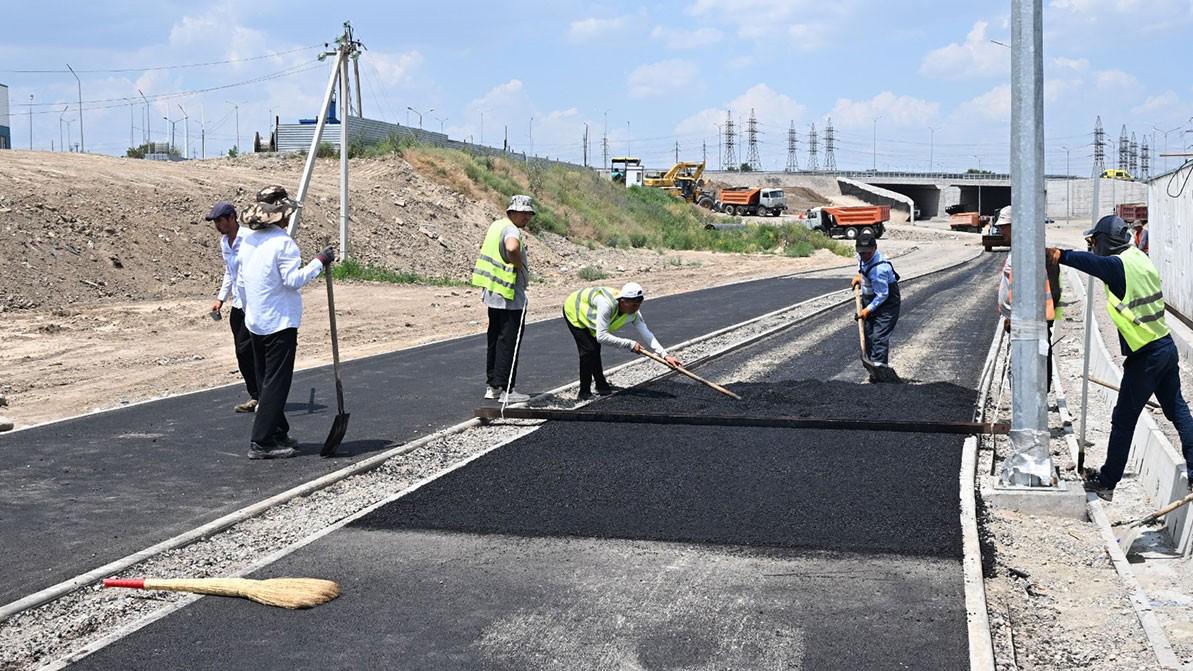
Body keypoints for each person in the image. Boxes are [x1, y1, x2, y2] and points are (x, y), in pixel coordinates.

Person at [1047, 215, 1193, 501]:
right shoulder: (1138, 257)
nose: (1092, 247)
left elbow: (1094, 265)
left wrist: (1061, 255)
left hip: (1145, 357)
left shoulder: (1117, 266)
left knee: (1123, 420)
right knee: (1178, 413)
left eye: (1095, 241)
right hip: (1164, 346)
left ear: (1107, 241)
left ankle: (1107, 483)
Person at [236, 185, 334, 460]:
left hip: (255, 321)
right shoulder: (283, 243)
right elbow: (293, 281)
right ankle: (262, 441)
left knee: (266, 379)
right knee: (276, 383)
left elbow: (241, 282)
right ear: (280, 215)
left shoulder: (249, 241)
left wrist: (249, 311)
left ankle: (278, 430)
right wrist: (319, 261)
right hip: (279, 323)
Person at [563, 282, 680, 400]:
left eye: (639, 305)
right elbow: (601, 336)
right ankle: (584, 392)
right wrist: (630, 344)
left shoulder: (634, 312)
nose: (636, 308)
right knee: (589, 351)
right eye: (634, 305)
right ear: (623, 301)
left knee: (594, 350)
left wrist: (665, 355)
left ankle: (601, 385)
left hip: (592, 318)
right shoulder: (606, 304)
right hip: (575, 310)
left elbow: (646, 333)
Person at [472, 194, 534, 404]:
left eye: (529, 214)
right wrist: (517, 266)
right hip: (509, 295)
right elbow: (511, 248)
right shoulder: (510, 230)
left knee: (495, 339)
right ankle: (508, 389)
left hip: (493, 292)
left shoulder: (496, 225)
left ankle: (493, 387)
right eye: (523, 213)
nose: (527, 217)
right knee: (509, 342)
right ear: (512, 212)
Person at [206, 201, 259, 414]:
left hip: (254, 303)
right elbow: (230, 272)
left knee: (251, 349)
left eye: (220, 220)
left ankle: (265, 395)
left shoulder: (250, 238)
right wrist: (221, 298)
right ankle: (256, 395)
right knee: (242, 352)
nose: (218, 225)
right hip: (238, 303)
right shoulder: (224, 243)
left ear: (231, 217)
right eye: (215, 222)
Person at [997, 249, 1063, 391]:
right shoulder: (1020, 252)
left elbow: (1052, 291)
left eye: (1005, 227)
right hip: (1027, 319)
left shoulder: (1036, 257)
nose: (1002, 231)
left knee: (1035, 355)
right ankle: (1030, 392)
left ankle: (1033, 394)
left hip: (1031, 320)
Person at [851, 233, 901, 379]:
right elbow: (863, 265)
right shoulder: (861, 255)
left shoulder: (880, 269)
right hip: (869, 297)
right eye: (861, 252)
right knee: (869, 334)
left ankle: (880, 371)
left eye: (867, 253)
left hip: (887, 303)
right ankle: (874, 367)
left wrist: (867, 310)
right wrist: (860, 275)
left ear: (875, 248)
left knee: (879, 335)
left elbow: (882, 296)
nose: (864, 255)